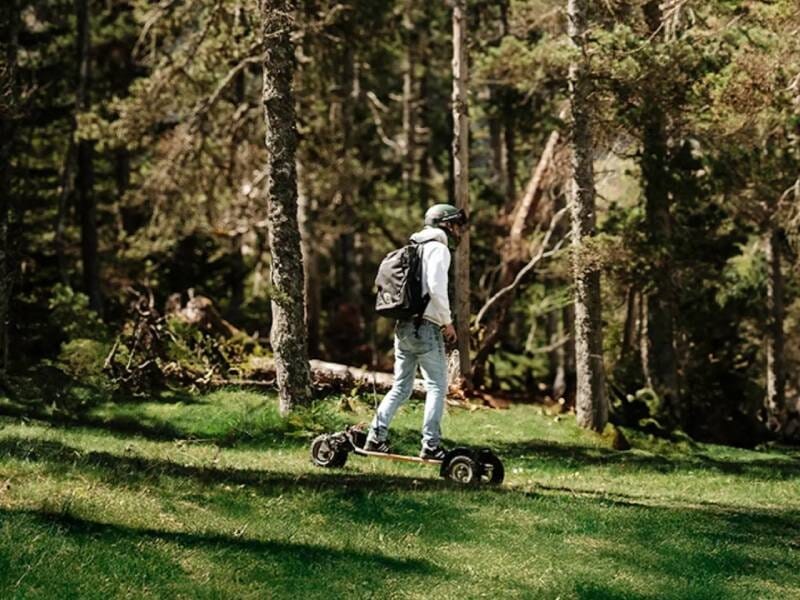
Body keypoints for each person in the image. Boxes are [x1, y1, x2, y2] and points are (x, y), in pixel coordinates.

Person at [365, 204, 468, 459]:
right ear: (446, 225)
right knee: (437, 387)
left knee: (401, 387)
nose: (458, 230)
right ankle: (431, 446)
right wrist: (447, 321)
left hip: (404, 326)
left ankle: (375, 437)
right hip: (427, 327)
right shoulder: (439, 249)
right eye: (456, 224)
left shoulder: (416, 247)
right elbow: (435, 286)